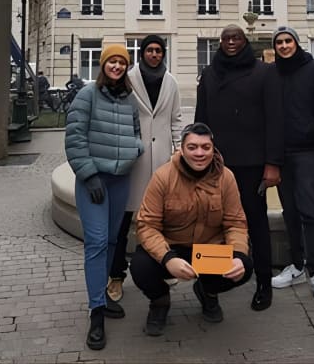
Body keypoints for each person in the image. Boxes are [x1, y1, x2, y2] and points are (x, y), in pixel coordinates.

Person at [129, 122, 253, 336]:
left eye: (206, 147)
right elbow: (147, 225)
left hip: (208, 251)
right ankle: (159, 301)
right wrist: (168, 258)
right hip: (172, 249)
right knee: (140, 266)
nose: (200, 153)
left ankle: (208, 291)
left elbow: (235, 223)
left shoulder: (226, 178)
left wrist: (239, 256)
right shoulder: (163, 177)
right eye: (192, 147)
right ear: (182, 149)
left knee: (245, 266)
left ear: (213, 149)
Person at [194, 24, 284, 311]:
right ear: (220, 42)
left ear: (245, 41)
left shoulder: (264, 72)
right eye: (226, 38)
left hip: (252, 163)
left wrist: (273, 163)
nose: (230, 42)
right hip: (217, 163)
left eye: (236, 38)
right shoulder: (210, 73)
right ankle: (213, 283)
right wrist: (197, 157)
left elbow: (275, 119)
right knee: (213, 223)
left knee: (255, 222)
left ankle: (263, 282)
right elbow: (200, 119)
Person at [64, 44, 144, 351]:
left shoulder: (129, 99)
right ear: (103, 65)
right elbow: (74, 138)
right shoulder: (87, 95)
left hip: (120, 180)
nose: (117, 66)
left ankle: (103, 297)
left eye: (122, 62)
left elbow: (136, 132)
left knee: (112, 240)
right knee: (97, 242)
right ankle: (96, 311)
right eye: (112, 61)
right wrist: (88, 174)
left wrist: (136, 150)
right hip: (94, 182)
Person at [107, 34, 182, 303]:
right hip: (132, 159)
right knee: (122, 222)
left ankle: (163, 266)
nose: (154, 54)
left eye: (158, 50)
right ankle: (116, 275)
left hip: (161, 159)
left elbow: (175, 119)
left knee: (160, 220)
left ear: (163, 53)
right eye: (150, 50)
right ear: (142, 53)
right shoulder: (128, 79)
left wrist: (178, 149)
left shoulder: (171, 82)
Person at [269, 26, 314, 304]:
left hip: (305, 150)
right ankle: (296, 265)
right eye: (279, 42)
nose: (284, 46)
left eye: (288, 41)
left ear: (296, 43)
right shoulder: (271, 73)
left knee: (309, 211)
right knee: (290, 211)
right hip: (280, 153)